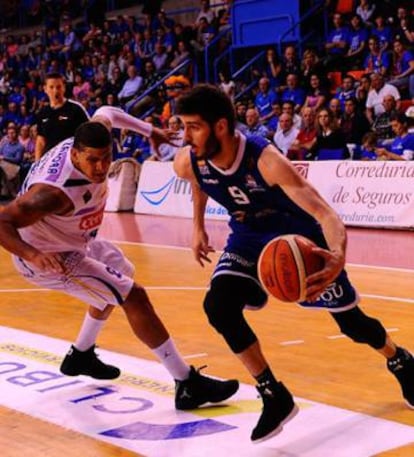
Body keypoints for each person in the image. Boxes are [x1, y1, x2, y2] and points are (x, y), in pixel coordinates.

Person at [173, 84, 414, 442]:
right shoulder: (188, 159)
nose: (185, 135)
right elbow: (198, 178)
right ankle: (274, 393)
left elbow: (325, 212)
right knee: (218, 306)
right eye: (183, 126)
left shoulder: (266, 160)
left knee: (351, 324)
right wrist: (197, 228)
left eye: (193, 126)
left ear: (220, 126)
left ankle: (399, 360)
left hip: (298, 238)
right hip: (249, 236)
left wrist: (336, 258)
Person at [0, 105, 239, 411]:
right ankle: (186, 383)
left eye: (106, 158)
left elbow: (108, 111)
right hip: (50, 258)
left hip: (75, 241)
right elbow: (3, 222)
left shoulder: (91, 134)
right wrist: (32, 255)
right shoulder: (52, 193)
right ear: (75, 155)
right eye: (93, 161)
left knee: (121, 271)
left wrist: (152, 132)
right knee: (134, 296)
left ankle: (81, 354)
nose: (101, 168)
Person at [35, 73, 90, 161]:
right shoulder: (43, 112)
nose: (55, 91)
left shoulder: (76, 109)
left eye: (58, 87)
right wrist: (36, 164)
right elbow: (41, 140)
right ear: (45, 89)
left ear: (64, 88)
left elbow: (87, 136)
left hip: (70, 160)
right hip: (49, 161)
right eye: (51, 87)